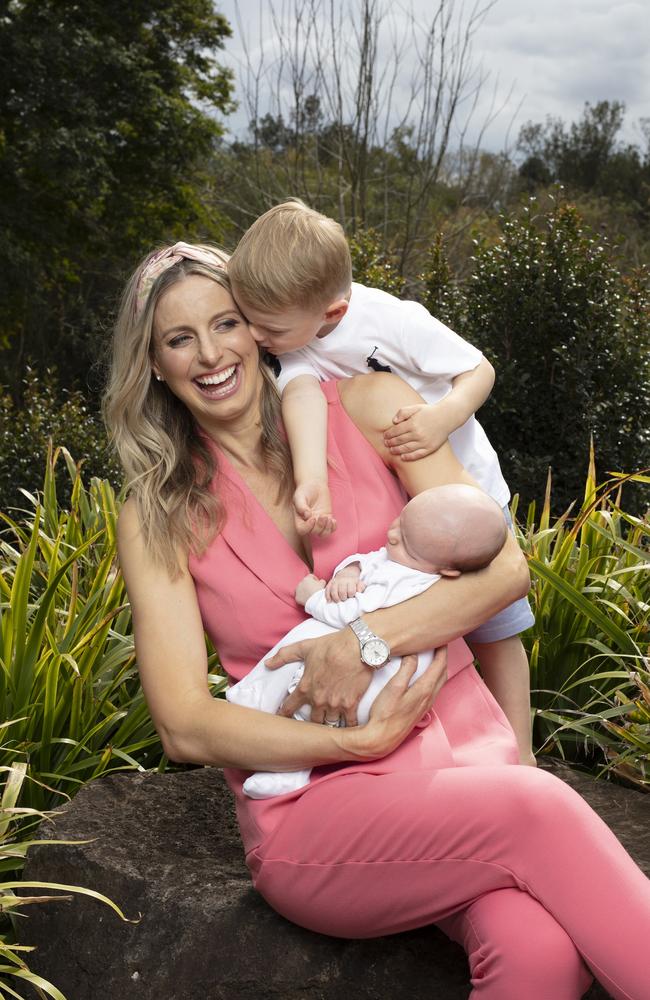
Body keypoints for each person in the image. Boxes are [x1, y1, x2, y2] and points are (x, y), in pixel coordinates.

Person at [105, 240, 650, 1000]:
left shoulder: (371, 406)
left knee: (540, 953)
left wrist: (365, 642)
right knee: (544, 805)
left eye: (226, 323)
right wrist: (352, 741)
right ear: (154, 364)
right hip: (319, 807)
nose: (210, 354)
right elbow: (185, 725)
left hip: (467, 769)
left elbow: (506, 571)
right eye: (178, 338)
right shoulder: (156, 511)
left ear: (260, 327)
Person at [228, 200, 536, 766]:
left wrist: (439, 418)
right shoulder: (293, 338)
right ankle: (464, 742)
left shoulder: (390, 320)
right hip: (404, 498)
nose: (252, 335)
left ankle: (522, 753)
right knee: (426, 607)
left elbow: (477, 368)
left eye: (263, 326)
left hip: (464, 492)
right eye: (246, 317)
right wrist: (312, 478)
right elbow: (300, 395)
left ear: (333, 309)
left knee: (496, 627)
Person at [229, 483, 508, 799]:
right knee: (308, 652)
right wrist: (349, 570)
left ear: (448, 571)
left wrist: (314, 598)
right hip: (372, 663)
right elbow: (372, 560)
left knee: (312, 658)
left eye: (404, 542)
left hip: (379, 682)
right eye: (399, 522)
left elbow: (353, 617)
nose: (391, 536)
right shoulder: (411, 559)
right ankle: (257, 708)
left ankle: (289, 765)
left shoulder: (414, 583)